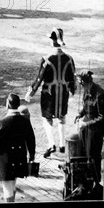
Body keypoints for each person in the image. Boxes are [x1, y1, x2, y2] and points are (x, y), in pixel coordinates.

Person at [25, 28, 76, 158]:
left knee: (47, 119)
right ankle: (62, 144)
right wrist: (72, 90)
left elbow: (39, 79)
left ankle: (51, 144)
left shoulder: (46, 59)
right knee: (61, 117)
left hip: (49, 94)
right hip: (63, 92)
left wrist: (31, 93)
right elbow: (72, 78)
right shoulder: (69, 59)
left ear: (52, 41)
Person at [0, 93, 36, 203]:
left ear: (8, 104)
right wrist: (31, 155)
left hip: (6, 159)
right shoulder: (25, 122)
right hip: (20, 157)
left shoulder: (3, 123)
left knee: (7, 187)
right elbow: (31, 139)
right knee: (12, 184)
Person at [74, 70, 104, 183]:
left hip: (95, 131)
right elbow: (86, 106)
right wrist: (80, 114)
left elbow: (102, 117)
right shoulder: (86, 91)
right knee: (83, 154)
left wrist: (86, 123)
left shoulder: (100, 93)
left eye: (80, 83)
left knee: (93, 157)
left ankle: (96, 183)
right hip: (85, 129)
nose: (80, 85)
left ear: (85, 82)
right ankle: (85, 181)